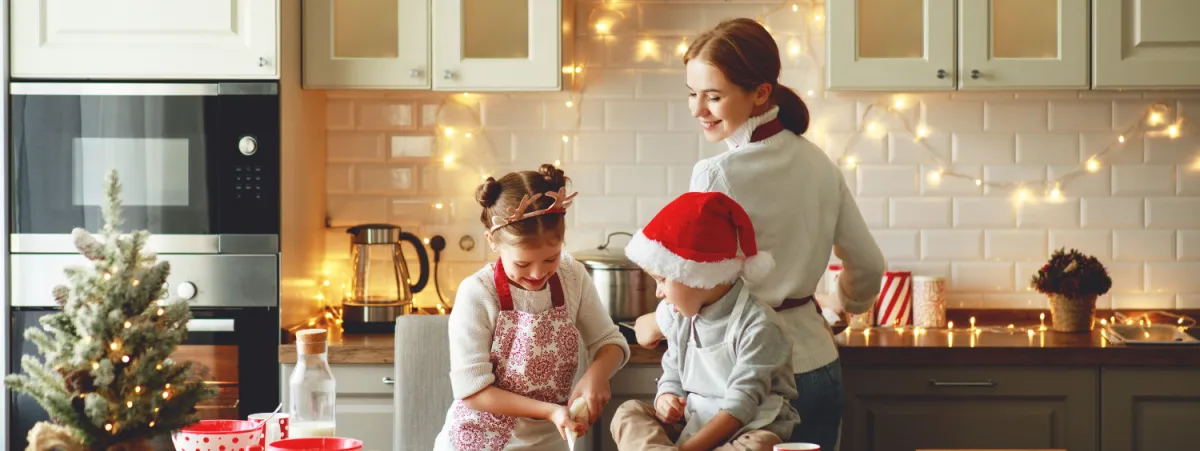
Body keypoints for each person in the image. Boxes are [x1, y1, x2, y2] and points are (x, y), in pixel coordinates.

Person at [632, 17, 886, 451]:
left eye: (713, 96)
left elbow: (698, 278)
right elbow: (868, 265)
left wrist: (654, 322)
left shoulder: (714, 173)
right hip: (821, 365)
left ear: (760, 93)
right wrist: (840, 306)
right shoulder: (819, 162)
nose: (697, 109)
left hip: (748, 378)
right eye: (693, 94)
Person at [432, 164, 631, 451]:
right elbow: (473, 391)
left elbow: (609, 341)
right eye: (523, 264)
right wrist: (550, 411)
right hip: (480, 442)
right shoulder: (478, 293)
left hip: (549, 441)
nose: (538, 274)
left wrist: (597, 374)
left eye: (550, 259)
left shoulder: (572, 276)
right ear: (492, 242)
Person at [610, 191, 799, 451]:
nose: (658, 293)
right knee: (628, 412)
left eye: (662, 280)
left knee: (762, 444)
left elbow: (740, 407)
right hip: (693, 422)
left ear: (697, 275)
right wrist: (666, 397)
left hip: (746, 428)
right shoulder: (680, 316)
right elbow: (673, 372)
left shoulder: (759, 325)